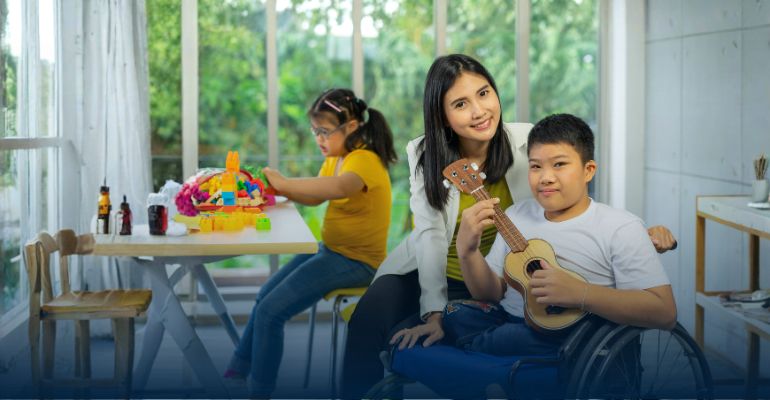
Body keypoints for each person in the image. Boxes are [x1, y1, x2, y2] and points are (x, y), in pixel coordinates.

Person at [341, 54, 677, 398]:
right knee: (369, 323)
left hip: (499, 272)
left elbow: (569, 190)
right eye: (460, 103)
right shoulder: (424, 152)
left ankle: (482, 375)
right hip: (432, 266)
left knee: (465, 334)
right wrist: (433, 309)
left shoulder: (526, 139)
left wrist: (637, 233)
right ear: (442, 115)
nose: (479, 111)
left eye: (484, 93)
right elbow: (429, 235)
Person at [432, 113, 675, 391]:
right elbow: (491, 293)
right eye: (536, 166)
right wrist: (468, 251)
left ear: (588, 170)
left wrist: (581, 293)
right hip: (513, 321)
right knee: (456, 314)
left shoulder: (620, 227)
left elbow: (664, 312)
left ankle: (486, 368)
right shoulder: (515, 215)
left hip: (577, 333)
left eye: (559, 164)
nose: (545, 177)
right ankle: (495, 368)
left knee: (508, 336)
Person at [224, 88, 397, 397]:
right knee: (265, 296)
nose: (318, 138)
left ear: (352, 127)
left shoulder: (364, 160)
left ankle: (258, 390)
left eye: (324, 132)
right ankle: (240, 366)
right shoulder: (337, 158)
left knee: (270, 313)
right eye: (315, 131)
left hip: (357, 262)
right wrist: (275, 192)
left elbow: (339, 187)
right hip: (333, 252)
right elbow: (317, 195)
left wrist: (285, 184)